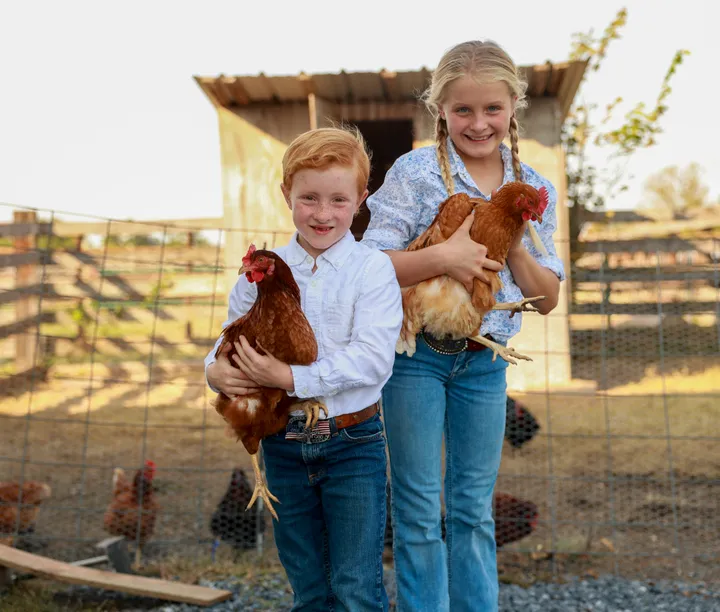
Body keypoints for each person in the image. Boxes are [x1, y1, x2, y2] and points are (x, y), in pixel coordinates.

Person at [361, 40, 565, 612]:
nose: (479, 124)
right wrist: (443, 258)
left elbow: (546, 298)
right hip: (417, 357)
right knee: (420, 506)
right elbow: (371, 264)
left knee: (473, 507)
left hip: (483, 362)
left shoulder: (531, 184)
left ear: (513, 107)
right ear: (440, 110)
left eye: (492, 109)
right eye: (463, 111)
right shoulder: (416, 171)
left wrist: (515, 239)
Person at [204, 127, 402, 611]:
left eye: (338, 199)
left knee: (357, 586)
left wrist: (289, 379)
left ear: (360, 200)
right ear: (286, 195)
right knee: (309, 588)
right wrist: (213, 370)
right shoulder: (263, 269)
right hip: (283, 444)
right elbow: (231, 331)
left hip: (353, 442)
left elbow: (374, 358)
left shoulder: (371, 269)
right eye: (308, 197)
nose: (322, 213)